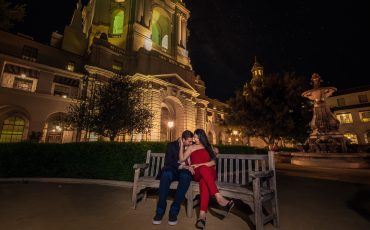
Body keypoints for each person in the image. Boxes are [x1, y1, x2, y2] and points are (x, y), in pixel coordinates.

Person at [179, 128, 234, 229]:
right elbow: (181, 159)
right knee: (203, 176)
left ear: (201, 137)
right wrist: (182, 145)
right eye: (194, 137)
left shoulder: (208, 147)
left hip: (209, 172)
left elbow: (213, 162)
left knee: (204, 181)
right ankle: (219, 198)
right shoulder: (191, 147)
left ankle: (202, 216)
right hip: (197, 173)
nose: (194, 139)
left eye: (195, 137)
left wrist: (200, 164)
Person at [152, 130, 195, 226]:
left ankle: (174, 212)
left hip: (184, 172)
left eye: (192, 141)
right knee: (166, 174)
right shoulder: (171, 145)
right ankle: (160, 211)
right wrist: (183, 166)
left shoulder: (192, 145)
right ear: (183, 139)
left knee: (186, 176)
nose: (191, 143)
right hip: (172, 169)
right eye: (189, 141)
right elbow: (169, 162)